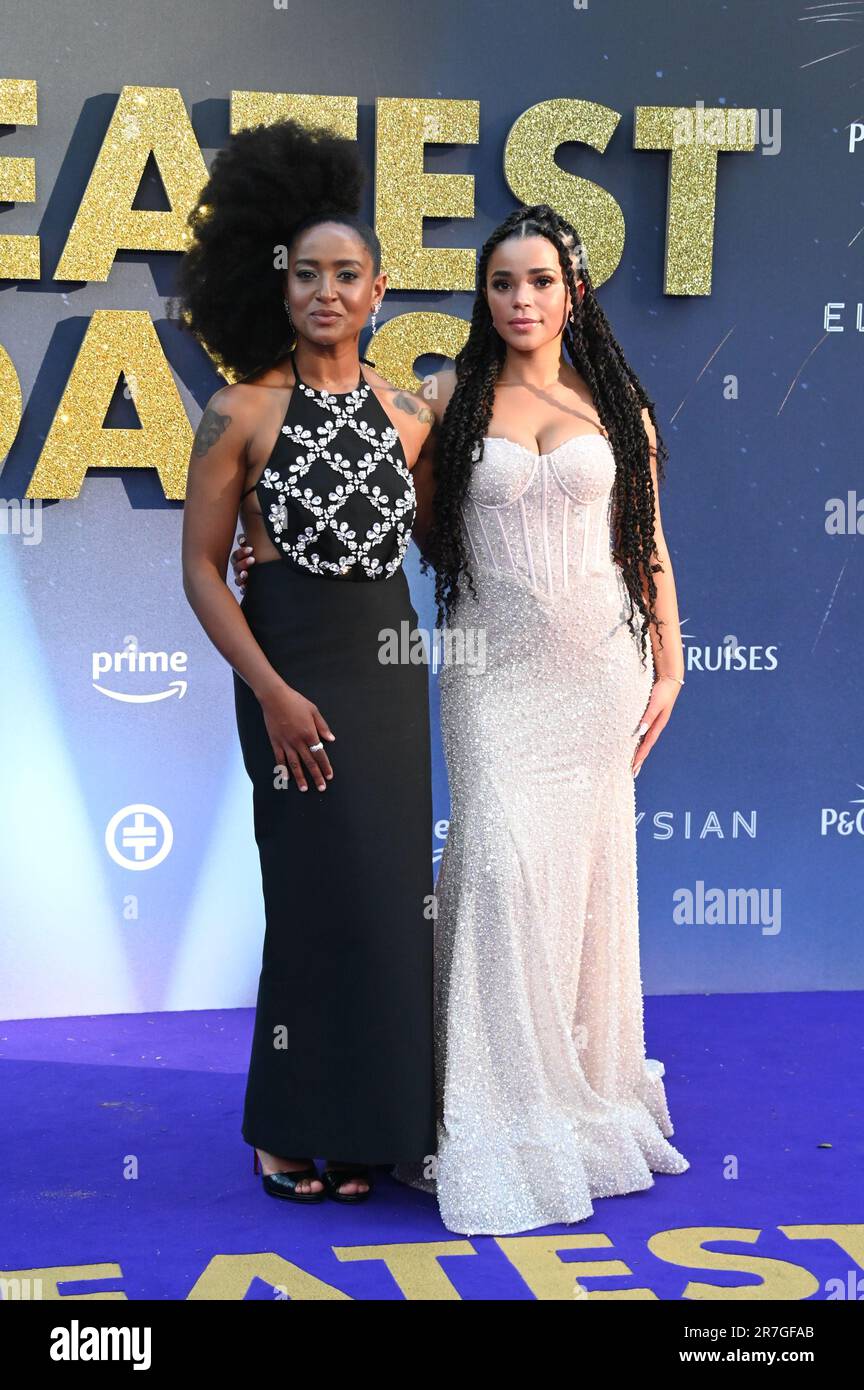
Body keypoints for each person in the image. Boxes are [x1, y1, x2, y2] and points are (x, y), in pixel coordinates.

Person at [232, 200, 690, 1235]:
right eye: (502, 282)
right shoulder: (441, 398)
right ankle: (477, 1108)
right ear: (482, 297)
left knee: (582, 889)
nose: (522, 299)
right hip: (491, 674)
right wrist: (262, 538)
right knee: (488, 874)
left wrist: (672, 655)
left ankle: (574, 1092)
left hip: (600, 677)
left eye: (540, 281)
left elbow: (647, 543)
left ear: (573, 295)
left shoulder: (619, 407)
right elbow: (379, 507)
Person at [175, 118, 437, 1204]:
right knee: (311, 897)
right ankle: (286, 1131)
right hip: (289, 663)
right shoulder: (241, 411)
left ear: (377, 291)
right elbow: (200, 571)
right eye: (306, 275)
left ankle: (374, 1126)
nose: (325, 292)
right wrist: (273, 692)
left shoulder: (413, 415)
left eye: (347, 276)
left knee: (386, 901)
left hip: (386, 668)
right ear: (277, 286)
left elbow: (445, 547)